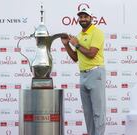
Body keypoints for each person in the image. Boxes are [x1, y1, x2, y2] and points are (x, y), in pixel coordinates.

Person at [61, 6, 106, 135]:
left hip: (96, 73)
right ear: (78, 19)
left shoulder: (97, 32)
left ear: (91, 18)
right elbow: (75, 57)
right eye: (81, 17)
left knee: (98, 112)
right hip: (83, 75)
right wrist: (66, 44)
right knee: (88, 112)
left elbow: (91, 53)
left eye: (85, 16)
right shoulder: (79, 35)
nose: (83, 19)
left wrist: (76, 44)